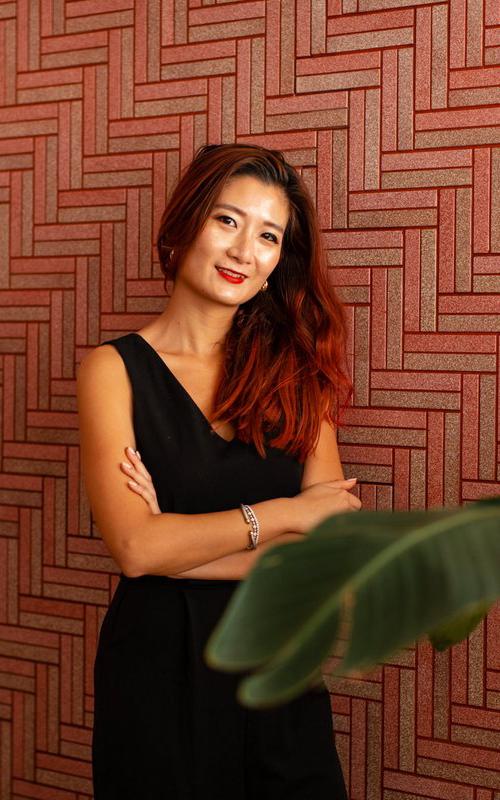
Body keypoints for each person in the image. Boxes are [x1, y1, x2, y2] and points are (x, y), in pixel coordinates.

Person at [77, 142, 361, 799]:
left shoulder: (297, 372)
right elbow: (134, 546)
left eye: (268, 235)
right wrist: (287, 517)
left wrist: (170, 545)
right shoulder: (112, 371)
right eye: (227, 221)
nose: (244, 252)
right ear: (185, 223)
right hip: (158, 673)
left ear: (278, 261)